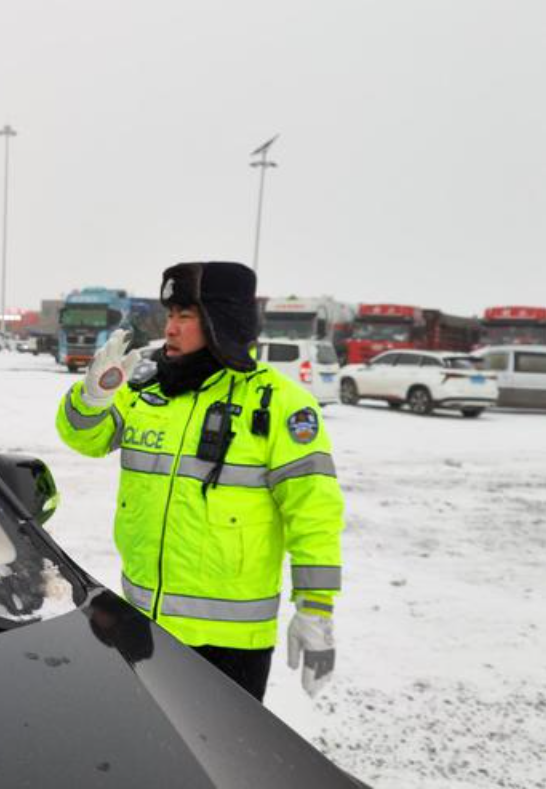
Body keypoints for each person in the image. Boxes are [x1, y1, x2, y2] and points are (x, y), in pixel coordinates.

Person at [55, 261, 344, 702]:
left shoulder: (281, 404)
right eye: (170, 315)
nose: (170, 328)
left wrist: (317, 609)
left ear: (220, 321)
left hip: (230, 642)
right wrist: (92, 397)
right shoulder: (149, 392)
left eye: (185, 316)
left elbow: (315, 513)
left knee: (222, 764)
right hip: (142, 625)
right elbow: (84, 438)